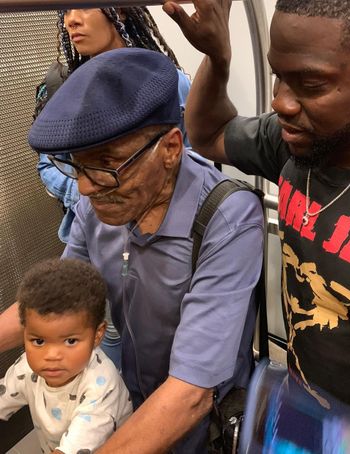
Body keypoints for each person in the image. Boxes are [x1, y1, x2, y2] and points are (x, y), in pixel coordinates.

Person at [1, 47, 265, 453]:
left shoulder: (226, 218)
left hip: (199, 426)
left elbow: (191, 392)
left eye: (107, 164)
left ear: (171, 148)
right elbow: (57, 301)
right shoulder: (98, 206)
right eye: (77, 166)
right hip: (129, 405)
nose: (86, 187)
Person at [162, 0, 350, 451]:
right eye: (278, 75)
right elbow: (208, 133)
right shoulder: (297, 143)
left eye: (310, 83)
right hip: (298, 413)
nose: (281, 102)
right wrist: (219, 57)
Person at [35, 7, 192, 244]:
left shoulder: (167, 82)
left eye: (86, 6)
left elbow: (189, 156)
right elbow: (48, 164)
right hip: (93, 237)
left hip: (162, 235)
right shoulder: (64, 89)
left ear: (120, 11)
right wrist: (89, 192)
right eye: (65, 11)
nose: (72, 20)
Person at [0, 258, 133, 454]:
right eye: (38, 341)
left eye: (70, 341)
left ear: (97, 335)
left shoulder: (102, 387)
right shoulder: (27, 369)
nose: (51, 356)